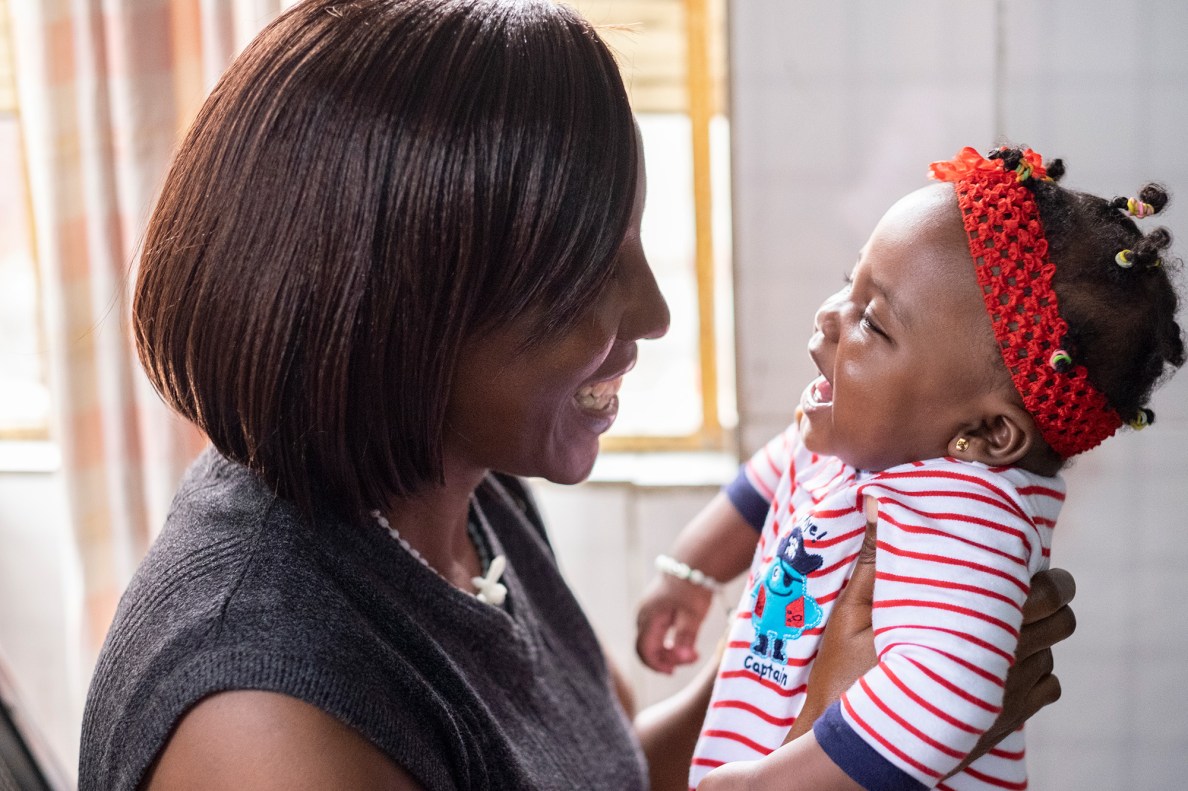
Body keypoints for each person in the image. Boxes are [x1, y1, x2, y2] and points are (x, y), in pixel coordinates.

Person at [77, 0, 1077, 787]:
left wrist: (809, 668)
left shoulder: (457, 486)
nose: (654, 314)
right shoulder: (266, 724)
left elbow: (605, 774)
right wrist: (839, 748)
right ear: (401, 313)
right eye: (586, 273)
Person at [637, 145, 1184, 790]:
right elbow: (767, 480)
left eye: (872, 321)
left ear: (988, 433)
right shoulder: (862, 440)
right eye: (851, 280)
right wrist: (689, 573)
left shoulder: (968, 515)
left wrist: (769, 785)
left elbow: (946, 695)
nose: (829, 314)